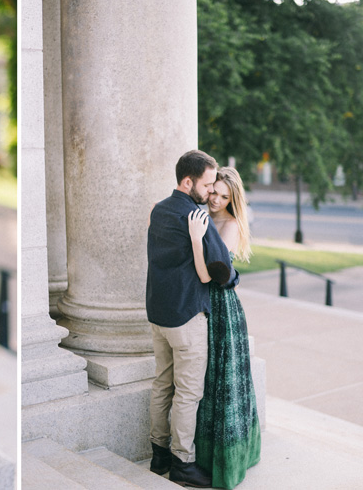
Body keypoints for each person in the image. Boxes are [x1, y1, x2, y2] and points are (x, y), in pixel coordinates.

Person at [146, 149, 237, 488]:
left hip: (158, 315)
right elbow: (222, 271)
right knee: (187, 393)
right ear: (188, 182)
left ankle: (158, 454)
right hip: (186, 318)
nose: (211, 191)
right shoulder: (195, 217)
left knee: (161, 384)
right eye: (208, 183)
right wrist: (233, 278)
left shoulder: (159, 210)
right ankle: (183, 463)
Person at [189, 166, 261, 488]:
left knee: (223, 382)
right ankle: (202, 456)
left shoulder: (229, 225)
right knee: (204, 380)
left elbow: (211, 274)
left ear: (233, 199)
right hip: (200, 305)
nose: (215, 199)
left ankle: (226, 463)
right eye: (213, 192)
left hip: (222, 308)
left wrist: (194, 239)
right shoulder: (200, 213)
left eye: (223, 196)